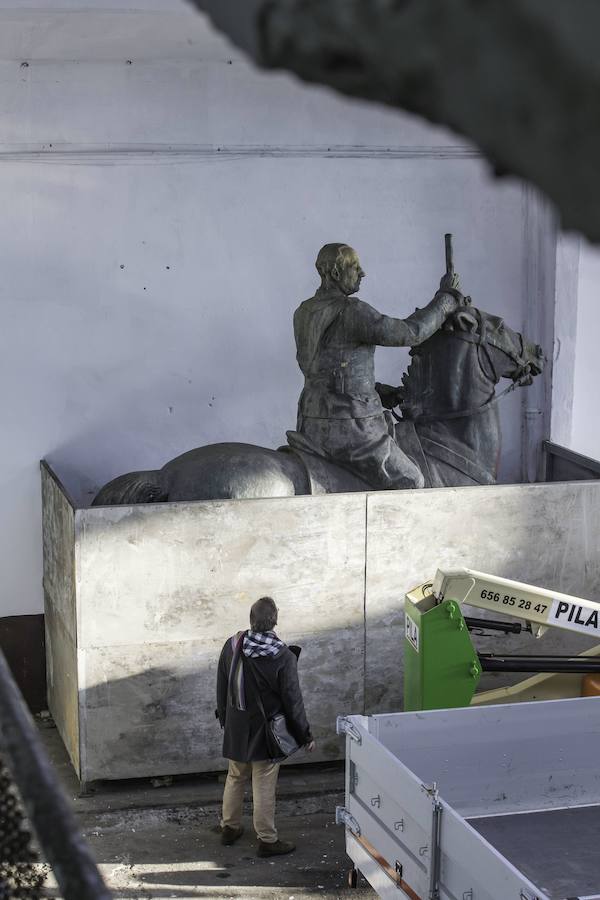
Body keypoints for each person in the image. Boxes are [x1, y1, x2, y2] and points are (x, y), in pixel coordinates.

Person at [287, 243, 466, 490]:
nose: (362, 273)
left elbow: (322, 370)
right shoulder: (352, 311)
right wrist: (445, 300)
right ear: (336, 274)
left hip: (311, 422)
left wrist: (377, 390)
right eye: (354, 266)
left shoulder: (304, 311)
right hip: (351, 429)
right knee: (413, 480)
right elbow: (410, 333)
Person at [216, 596, 314, 857]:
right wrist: (305, 736)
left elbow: (222, 685)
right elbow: (293, 702)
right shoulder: (283, 656)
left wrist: (225, 720)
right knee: (263, 783)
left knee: (235, 776)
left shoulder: (232, 644)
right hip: (266, 733)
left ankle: (230, 827)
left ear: (250, 619)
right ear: (275, 621)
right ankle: (267, 840)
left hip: (237, 726)